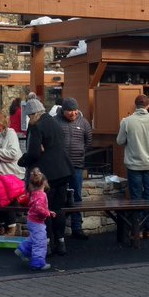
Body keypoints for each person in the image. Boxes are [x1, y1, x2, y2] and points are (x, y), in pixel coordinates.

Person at [20, 97, 72, 257]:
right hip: (63, 171)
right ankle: (61, 243)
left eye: (29, 116)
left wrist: (22, 160)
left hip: (47, 175)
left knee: (45, 210)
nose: (29, 119)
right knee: (58, 209)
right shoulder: (55, 122)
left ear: (33, 114)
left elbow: (34, 153)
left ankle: (48, 244)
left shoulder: (37, 126)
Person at [117, 94, 149, 238]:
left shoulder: (127, 122)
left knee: (136, 197)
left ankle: (138, 229)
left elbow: (120, 141)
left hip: (134, 164)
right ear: (148, 106)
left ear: (135, 105)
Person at [57, 98, 92, 240]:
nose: (73, 113)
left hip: (77, 164)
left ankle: (77, 227)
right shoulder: (56, 121)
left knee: (76, 196)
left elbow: (88, 141)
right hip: (60, 165)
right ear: (63, 110)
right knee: (59, 197)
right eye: (70, 111)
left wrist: (81, 152)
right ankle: (59, 229)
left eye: (75, 110)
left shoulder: (83, 122)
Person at [14, 167, 55, 271]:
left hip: (32, 220)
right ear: (44, 183)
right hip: (38, 222)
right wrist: (47, 213)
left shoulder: (33, 193)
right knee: (40, 242)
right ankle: (38, 263)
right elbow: (39, 208)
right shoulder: (42, 195)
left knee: (34, 238)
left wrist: (48, 211)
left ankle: (23, 250)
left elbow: (37, 206)